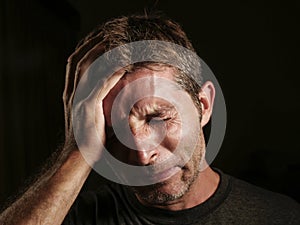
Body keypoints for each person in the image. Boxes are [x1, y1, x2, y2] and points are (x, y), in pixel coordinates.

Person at [0, 13, 299, 225]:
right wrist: (77, 151)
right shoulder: (77, 215)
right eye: (114, 133)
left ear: (204, 105)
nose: (142, 156)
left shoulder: (281, 216)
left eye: (157, 118)